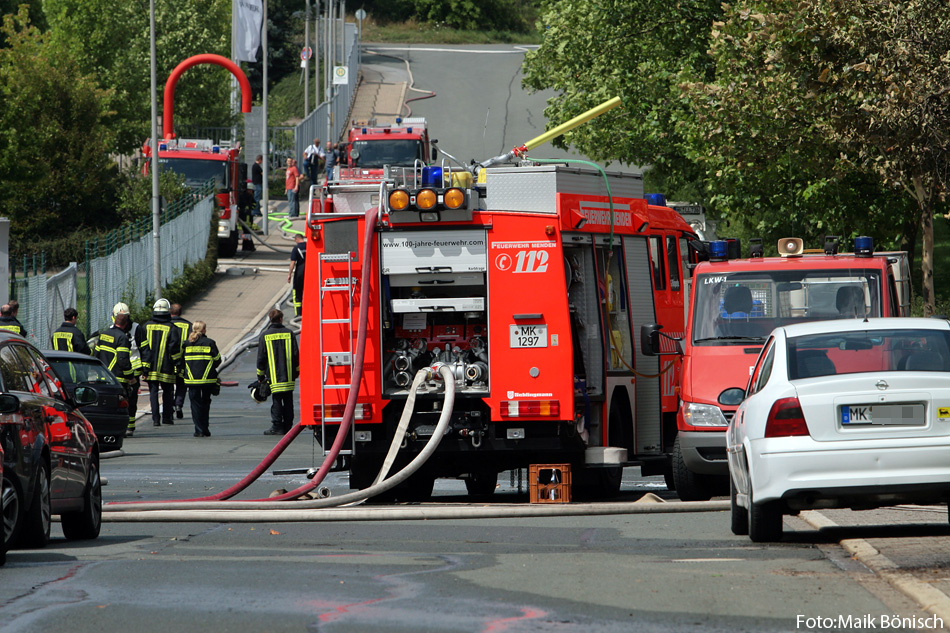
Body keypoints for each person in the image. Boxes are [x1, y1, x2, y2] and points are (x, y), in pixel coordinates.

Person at [257, 309, 299, 435]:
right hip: (288, 375)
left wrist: (260, 375)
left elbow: (261, 357)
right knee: (288, 400)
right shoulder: (289, 333)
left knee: (276, 400)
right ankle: (288, 426)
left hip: (273, 376)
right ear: (281, 319)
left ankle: (277, 426)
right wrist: (296, 371)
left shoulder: (265, 335)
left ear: (270, 319)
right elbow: (296, 354)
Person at [143, 298, 182, 427]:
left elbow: (141, 347)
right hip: (167, 367)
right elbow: (174, 348)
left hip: (150, 366)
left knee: (153, 392)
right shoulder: (172, 328)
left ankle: (155, 419)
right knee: (168, 392)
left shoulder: (146, 326)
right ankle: (167, 417)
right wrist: (178, 363)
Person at [113, 302, 148, 437]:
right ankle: (121, 425)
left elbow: (145, 349)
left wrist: (145, 369)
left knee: (132, 400)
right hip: (117, 372)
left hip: (134, 370)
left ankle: (130, 426)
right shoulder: (112, 330)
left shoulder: (137, 329)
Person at [95, 312, 134, 432]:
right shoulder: (122, 337)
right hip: (118, 378)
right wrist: (130, 376)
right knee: (120, 406)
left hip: (102, 377)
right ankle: (123, 428)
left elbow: (96, 355)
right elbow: (123, 360)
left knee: (103, 405)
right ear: (126, 324)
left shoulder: (104, 334)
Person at [182, 321, 221, 438]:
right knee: (205, 403)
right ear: (204, 330)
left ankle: (198, 430)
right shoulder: (210, 343)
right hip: (207, 379)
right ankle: (205, 428)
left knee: (195, 404)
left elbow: (181, 360)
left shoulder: (186, 344)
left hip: (191, 379)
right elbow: (218, 360)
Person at [170, 303, 192, 419]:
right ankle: (178, 405)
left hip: (169, 361)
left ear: (170, 312)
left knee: (168, 385)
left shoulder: (167, 324)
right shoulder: (188, 325)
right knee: (181, 384)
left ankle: (169, 407)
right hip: (183, 361)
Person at [288, 233, 307, 317]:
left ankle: (299, 313)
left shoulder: (296, 249)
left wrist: (289, 274)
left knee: (297, 292)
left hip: (299, 272)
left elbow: (293, 263)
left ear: (296, 239)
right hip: (309, 272)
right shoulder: (309, 246)